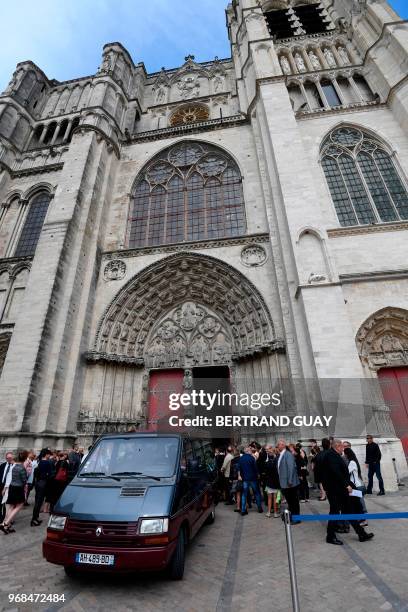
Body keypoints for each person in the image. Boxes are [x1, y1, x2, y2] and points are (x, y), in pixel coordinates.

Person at [320, 439, 374, 545]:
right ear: (337, 446)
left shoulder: (334, 454)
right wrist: (347, 485)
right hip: (335, 490)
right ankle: (330, 536)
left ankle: (361, 534)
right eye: (342, 447)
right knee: (335, 512)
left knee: (348, 512)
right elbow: (336, 472)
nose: (343, 449)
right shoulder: (331, 455)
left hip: (339, 490)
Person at [1, 450, 28, 534]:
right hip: (18, 488)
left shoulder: (14, 466)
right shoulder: (22, 467)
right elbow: (24, 480)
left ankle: (6, 525)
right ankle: (5, 523)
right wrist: (25, 487)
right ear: (24, 459)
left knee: (11, 506)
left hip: (12, 487)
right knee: (20, 505)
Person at [276, 439, 301, 524]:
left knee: (294, 502)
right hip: (285, 483)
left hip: (290, 483)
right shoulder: (281, 455)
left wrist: (290, 481)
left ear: (283, 445)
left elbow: (291, 469)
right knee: (291, 502)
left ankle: (296, 519)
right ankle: (291, 517)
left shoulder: (288, 454)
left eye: (278, 445)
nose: (277, 446)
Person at [344, 446, 368, 522]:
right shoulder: (353, 461)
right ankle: (359, 518)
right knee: (356, 503)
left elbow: (347, 473)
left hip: (357, 486)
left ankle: (363, 520)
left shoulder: (352, 462)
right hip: (357, 486)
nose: (344, 456)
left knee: (359, 503)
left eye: (345, 454)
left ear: (347, 454)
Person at [238, 447, 263, 516]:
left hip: (245, 479)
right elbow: (255, 468)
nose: (251, 452)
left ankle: (243, 510)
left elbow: (239, 468)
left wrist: (239, 476)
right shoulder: (252, 458)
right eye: (251, 451)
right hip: (253, 478)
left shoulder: (241, 458)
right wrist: (258, 474)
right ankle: (260, 508)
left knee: (244, 494)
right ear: (248, 451)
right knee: (257, 493)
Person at [31, 449, 53, 527]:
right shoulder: (47, 462)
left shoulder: (39, 461)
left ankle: (35, 518)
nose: (49, 456)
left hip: (38, 483)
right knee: (38, 502)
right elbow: (49, 474)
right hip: (43, 483)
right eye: (49, 454)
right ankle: (34, 519)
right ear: (46, 454)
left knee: (38, 501)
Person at [264, 445, 280, 518]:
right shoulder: (277, 461)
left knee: (269, 498)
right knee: (275, 498)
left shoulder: (267, 463)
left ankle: (268, 512)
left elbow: (266, 472)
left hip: (269, 482)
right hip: (276, 482)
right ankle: (276, 513)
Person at [0, 452, 15, 523]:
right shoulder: (2, 465)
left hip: (10, 486)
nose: (9, 459)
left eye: (10, 458)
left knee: (7, 503)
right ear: (6, 458)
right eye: (7, 458)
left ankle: (6, 518)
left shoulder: (14, 466)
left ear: (13, 458)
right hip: (1, 485)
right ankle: (1, 517)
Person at [230, 448, 242, 513]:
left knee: (237, 493)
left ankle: (238, 507)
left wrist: (230, 478)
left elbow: (231, 470)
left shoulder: (233, 460)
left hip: (235, 478)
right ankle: (245, 505)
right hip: (242, 478)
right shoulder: (241, 459)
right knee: (244, 492)